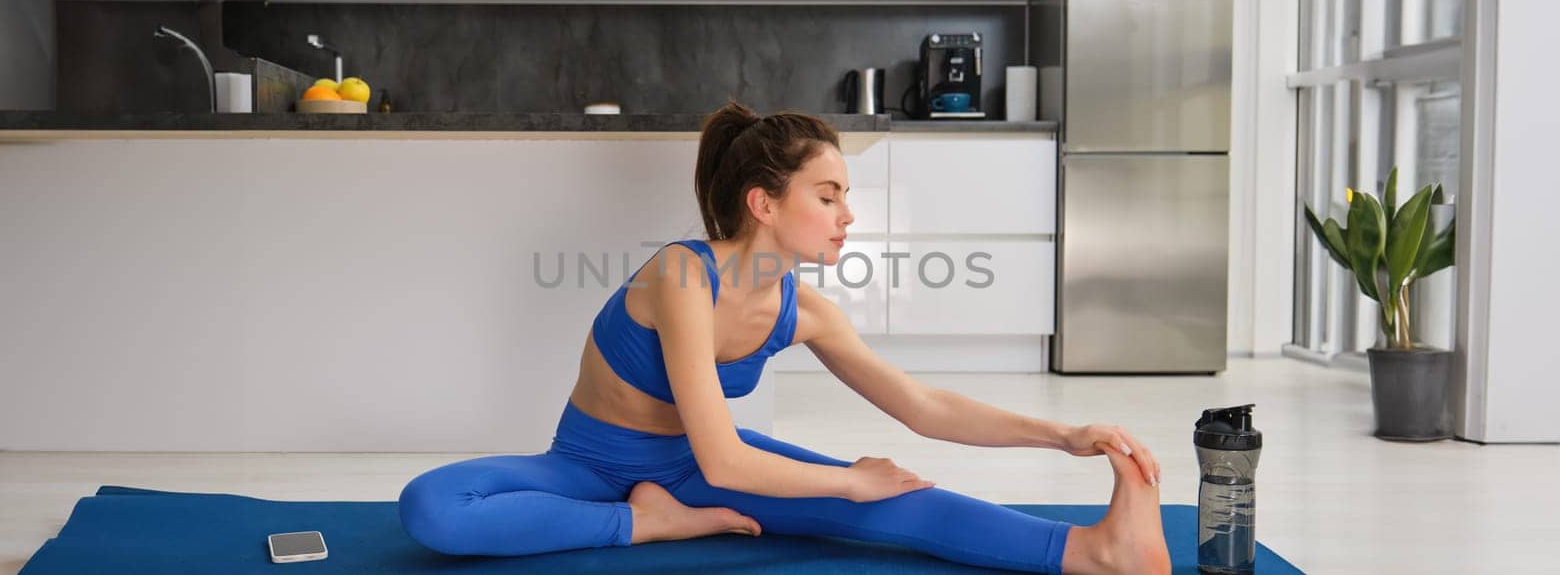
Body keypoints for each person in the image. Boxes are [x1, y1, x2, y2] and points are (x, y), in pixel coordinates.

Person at [398, 101, 1170, 574]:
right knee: (434, 507)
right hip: (586, 467)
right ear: (764, 203)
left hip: (699, 471)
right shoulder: (680, 276)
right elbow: (725, 457)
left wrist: (1063, 435)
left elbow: (925, 405)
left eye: (846, 197)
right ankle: (649, 523)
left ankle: (1093, 554)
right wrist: (843, 480)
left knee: (903, 500)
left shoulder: (808, 311)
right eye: (827, 195)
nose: (847, 215)